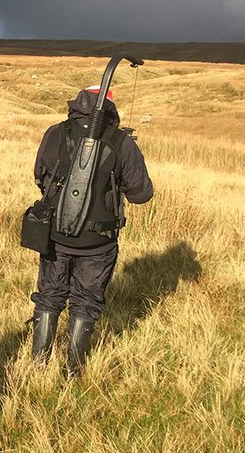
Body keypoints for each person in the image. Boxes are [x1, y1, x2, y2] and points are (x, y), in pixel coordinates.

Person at [30, 85, 153, 375]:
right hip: (99, 243)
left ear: (77, 104)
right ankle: (73, 370)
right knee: (86, 302)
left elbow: (39, 175)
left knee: (49, 295)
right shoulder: (122, 143)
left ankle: (38, 365)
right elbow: (141, 194)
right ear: (111, 110)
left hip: (55, 236)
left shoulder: (55, 133)